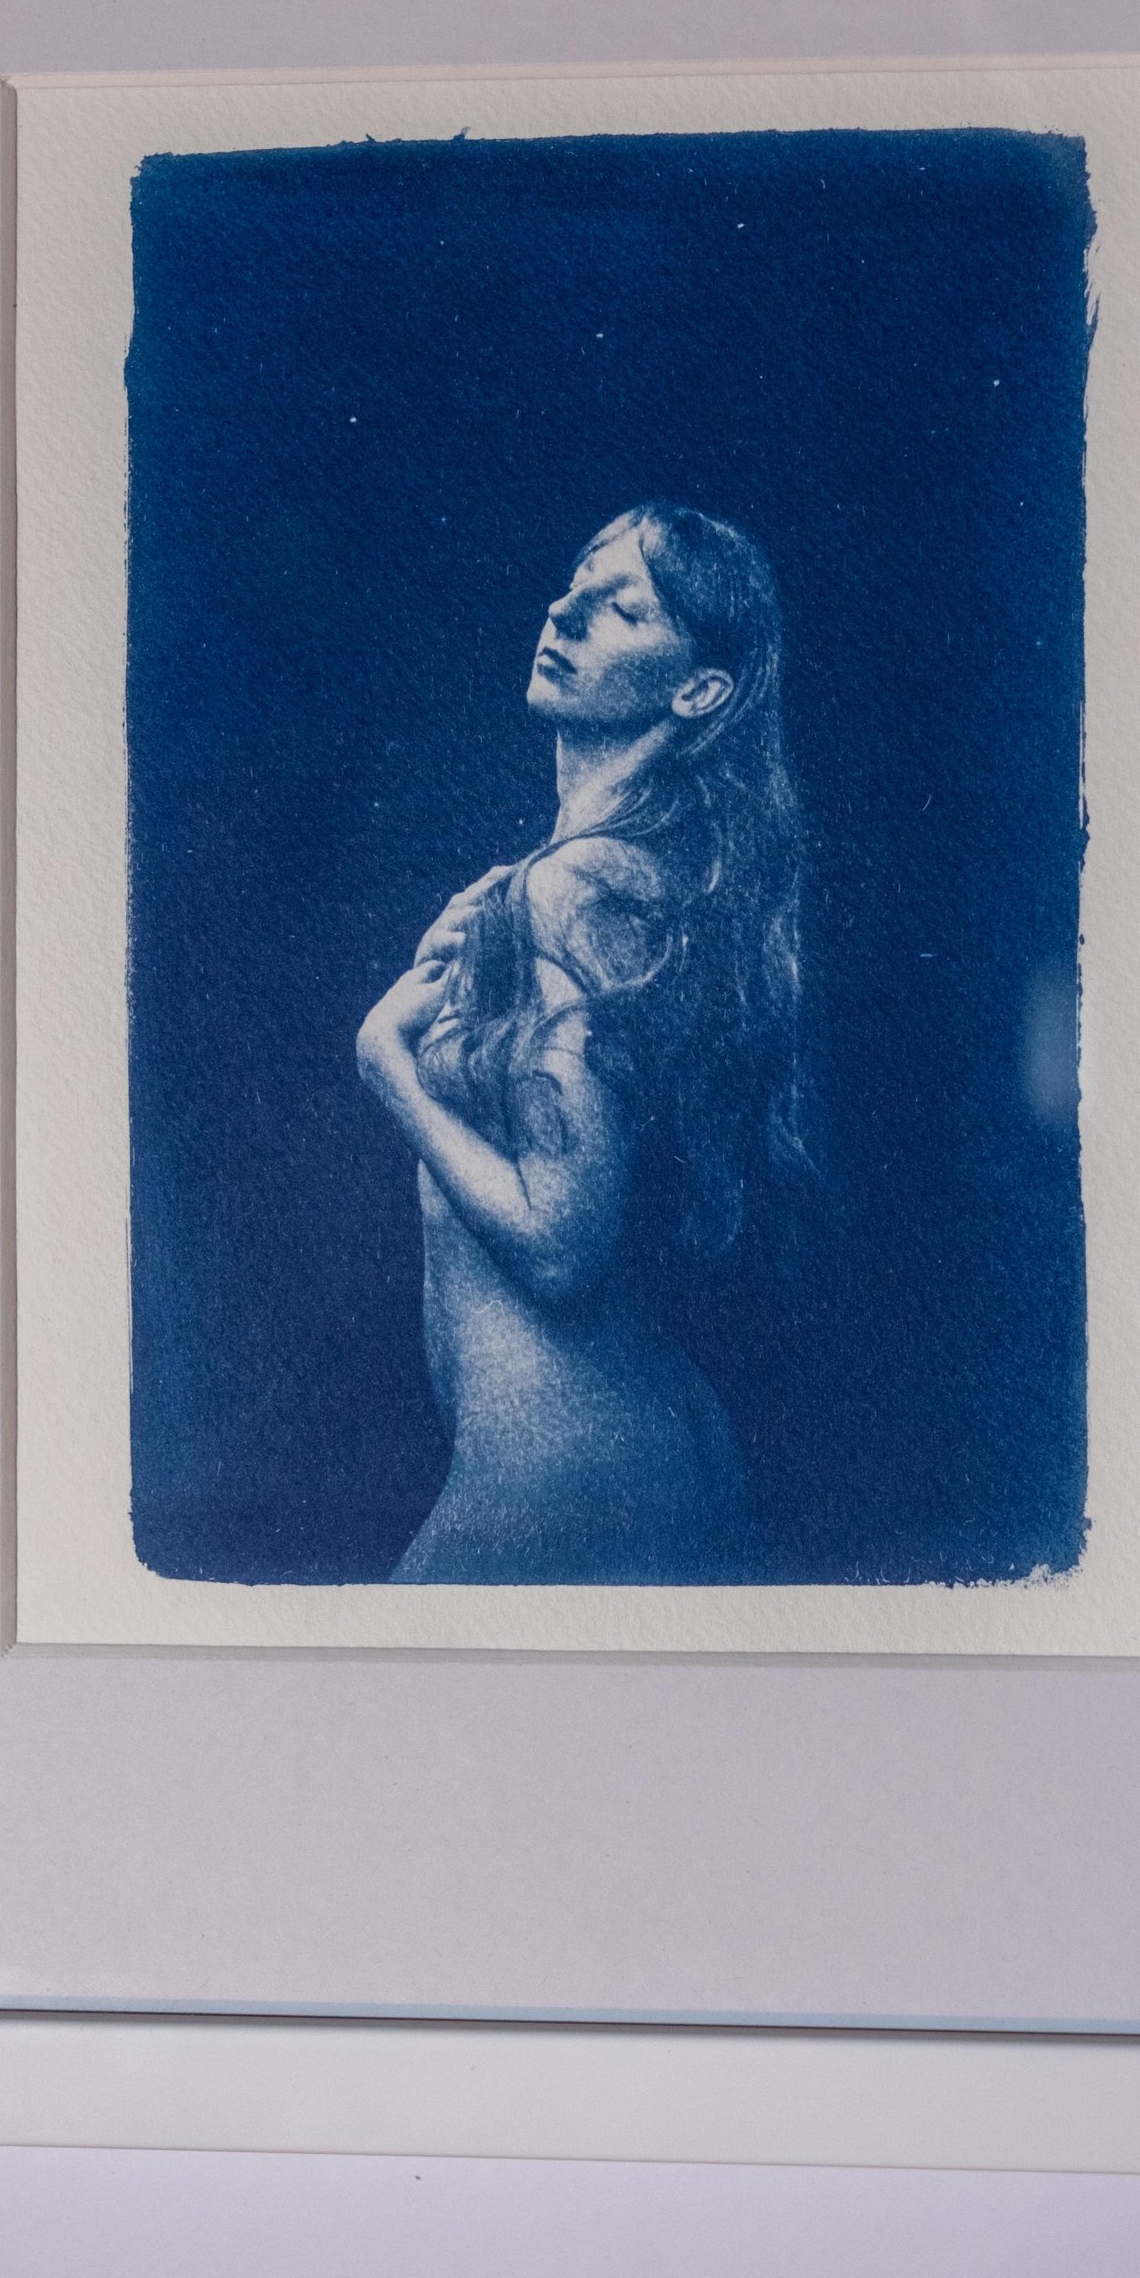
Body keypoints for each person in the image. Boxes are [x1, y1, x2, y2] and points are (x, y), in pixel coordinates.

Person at [355, 502, 810, 1583]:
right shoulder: (633, 881)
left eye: (622, 608)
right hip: (648, 1459)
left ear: (696, 690)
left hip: (557, 1480)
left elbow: (561, 1243)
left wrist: (387, 1065)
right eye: (575, 582)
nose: (563, 610)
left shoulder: (565, 890)